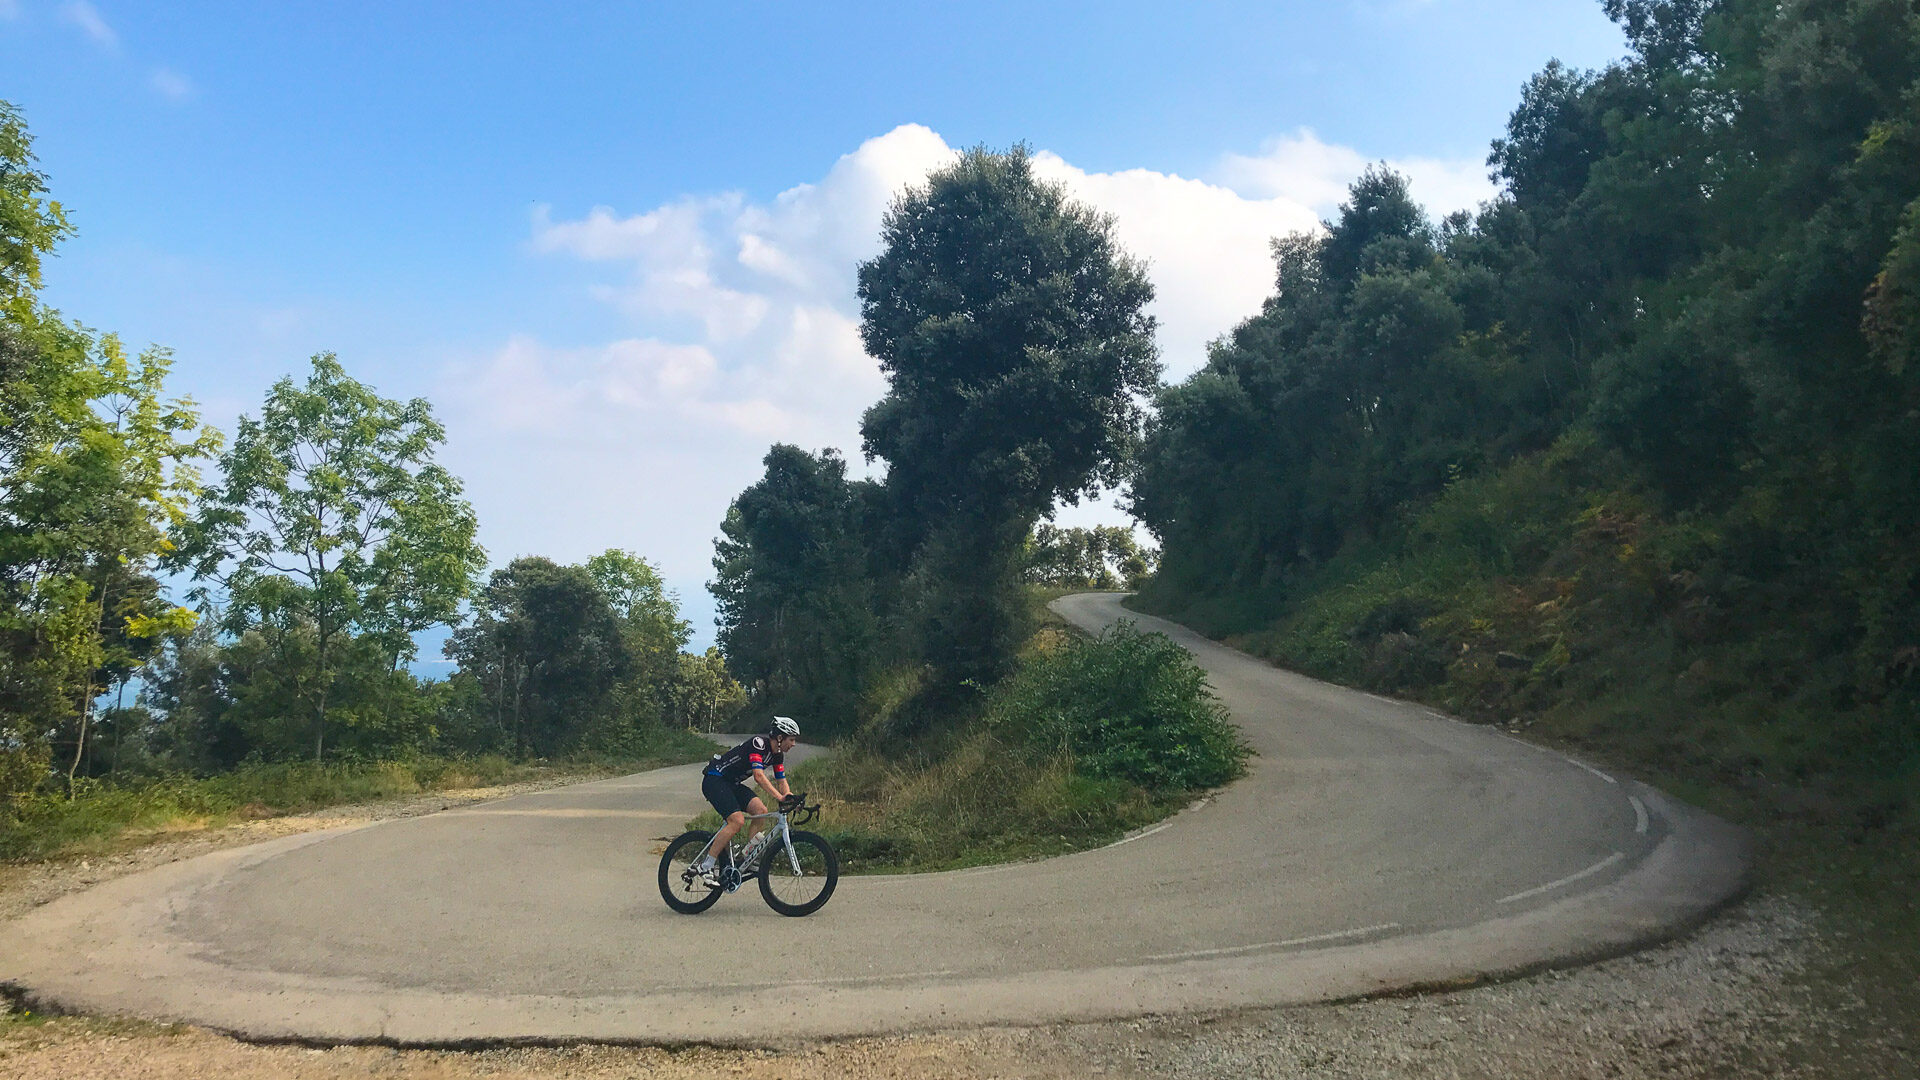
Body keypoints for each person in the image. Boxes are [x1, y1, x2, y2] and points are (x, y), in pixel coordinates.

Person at [693, 716, 800, 885]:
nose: (793, 744)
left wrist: (789, 797)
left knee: (761, 811)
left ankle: (747, 858)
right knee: (736, 821)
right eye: (792, 739)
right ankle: (706, 865)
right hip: (715, 779)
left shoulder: (777, 755)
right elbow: (758, 776)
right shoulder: (759, 744)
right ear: (780, 738)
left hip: (731, 783)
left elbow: (781, 781)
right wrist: (778, 797)